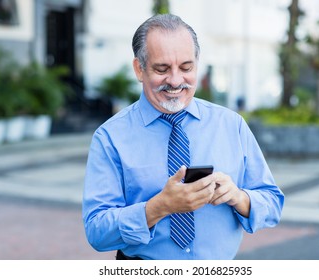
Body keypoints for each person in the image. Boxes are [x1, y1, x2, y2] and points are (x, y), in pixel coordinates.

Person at [82, 13, 284, 260]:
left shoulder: (232, 125)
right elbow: (97, 231)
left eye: (186, 68)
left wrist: (239, 197)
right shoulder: (110, 137)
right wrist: (159, 207)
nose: (176, 80)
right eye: (162, 69)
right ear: (139, 69)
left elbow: (273, 204)